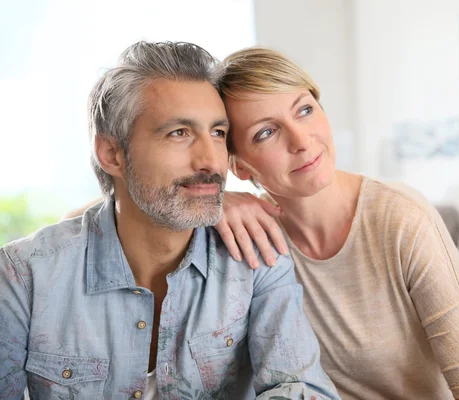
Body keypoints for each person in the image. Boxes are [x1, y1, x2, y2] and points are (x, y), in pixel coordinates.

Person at [0, 41, 339, 400]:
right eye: (180, 133)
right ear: (112, 153)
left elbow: (300, 390)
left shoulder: (256, 258)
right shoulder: (24, 276)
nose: (211, 160)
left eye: (218, 133)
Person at [214, 47, 459, 400]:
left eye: (305, 111)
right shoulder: (248, 236)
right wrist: (213, 203)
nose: (301, 140)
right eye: (266, 132)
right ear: (240, 166)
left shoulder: (401, 217)